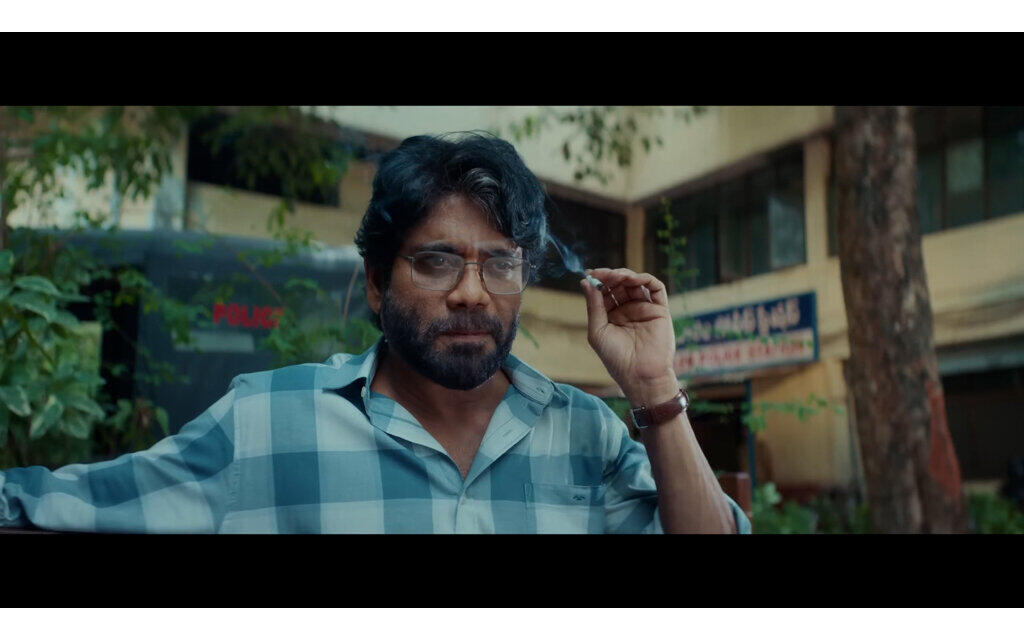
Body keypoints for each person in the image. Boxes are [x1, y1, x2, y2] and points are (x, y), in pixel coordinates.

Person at [0, 132, 750, 534]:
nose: (471, 292)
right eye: (435, 261)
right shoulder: (265, 422)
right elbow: (49, 503)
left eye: (499, 264)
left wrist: (653, 385)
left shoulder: (588, 433)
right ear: (374, 282)